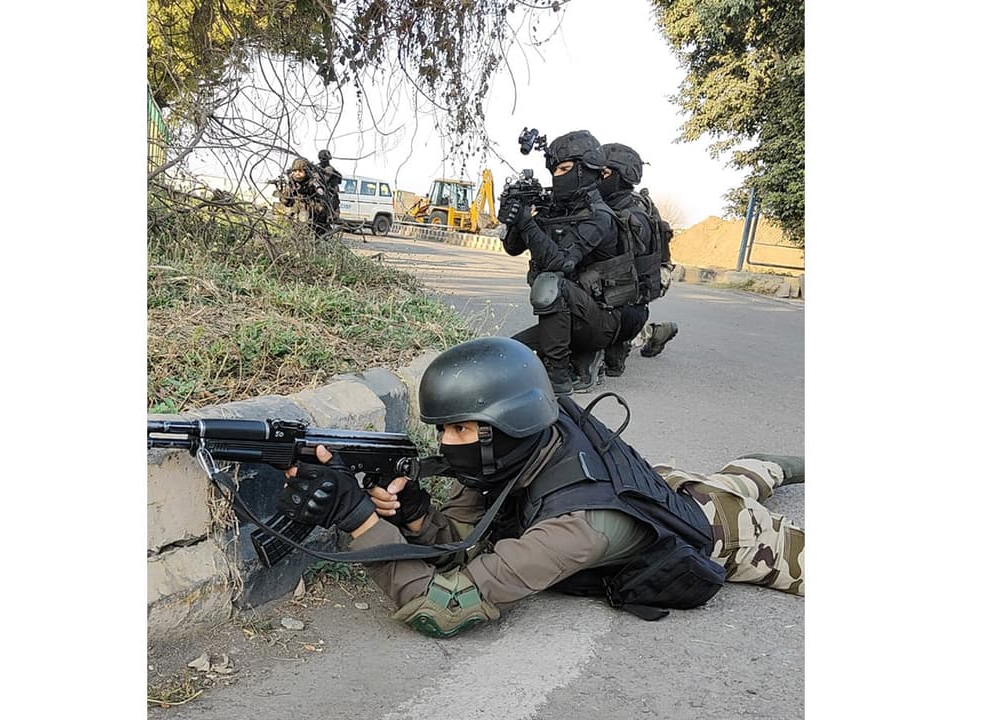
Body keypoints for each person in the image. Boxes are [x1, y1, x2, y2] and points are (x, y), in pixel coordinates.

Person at [278, 336, 804, 638]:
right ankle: (768, 464)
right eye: (443, 428)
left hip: (725, 530)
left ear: (510, 422)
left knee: (756, 516)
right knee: (738, 475)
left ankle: (770, 469)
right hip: (661, 483)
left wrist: (360, 522)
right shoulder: (516, 448)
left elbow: (442, 608)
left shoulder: (576, 529)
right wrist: (415, 515)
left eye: (460, 428)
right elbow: (460, 544)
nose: (446, 441)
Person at [499, 130, 646, 396]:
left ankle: (559, 375)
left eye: (565, 168)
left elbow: (560, 263)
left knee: (550, 283)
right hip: (569, 319)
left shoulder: (600, 216)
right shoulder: (556, 208)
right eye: (554, 170)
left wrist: (526, 222)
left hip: (602, 321)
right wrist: (513, 219)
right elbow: (512, 248)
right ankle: (582, 357)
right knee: (506, 354)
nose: (558, 176)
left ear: (586, 170)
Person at [592, 142, 678, 381]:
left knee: (604, 308)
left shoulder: (631, 211)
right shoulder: (614, 203)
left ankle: (643, 334)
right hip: (638, 280)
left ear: (621, 175)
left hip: (646, 280)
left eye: (604, 173)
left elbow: (621, 271)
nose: (597, 178)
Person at [278, 157, 332, 235]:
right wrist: (285, 193)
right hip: (296, 219)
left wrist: (315, 207)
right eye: (295, 171)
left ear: (306, 172)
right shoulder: (291, 183)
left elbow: (323, 203)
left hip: (314, 221)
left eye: (300, 171)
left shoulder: (314, 183)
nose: (297, 173)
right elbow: (286, 202)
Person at [315, 149, 343, 229]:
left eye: (325, 159)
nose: (324, 161)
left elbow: (323, 180)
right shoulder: (318, 167)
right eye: (323, 159)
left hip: (329, 196)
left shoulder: (329, 169)